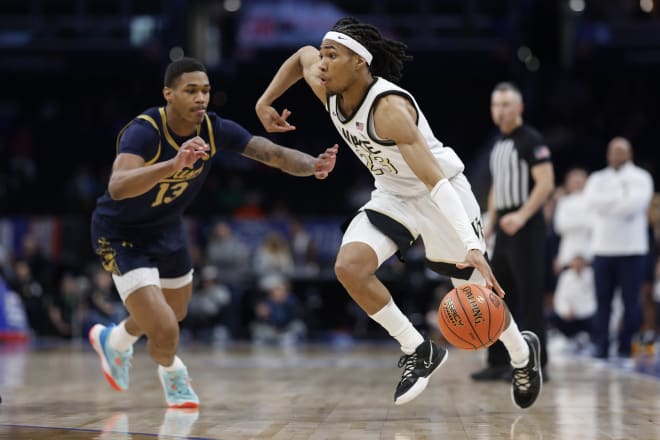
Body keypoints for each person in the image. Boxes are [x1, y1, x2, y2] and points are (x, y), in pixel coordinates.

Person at [256, 17, 542, 409]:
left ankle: (523, 356)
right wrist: (264, 101)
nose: (321, 63)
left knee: (475, 299)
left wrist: (472, 243)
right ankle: (418, 348)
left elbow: (434, 181)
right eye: (323, 54)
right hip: (392, 193)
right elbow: (299, 56)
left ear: (360, 62)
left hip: (440, 193)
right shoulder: (327, 86)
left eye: (332, 55)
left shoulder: (389, 109)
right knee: (349, 267)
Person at [88, 56, 338, 408]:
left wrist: (312, 165)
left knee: (174, 314)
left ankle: (114, 342)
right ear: (169, 94)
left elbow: (270, 152)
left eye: (205, 90)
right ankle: (173, 373)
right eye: (191, 90)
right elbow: (118, 186)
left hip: (167, 229)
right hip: (121, 234)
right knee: (165, 330)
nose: (201, 98)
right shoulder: (145, 131)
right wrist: (174, 164)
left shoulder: (213, 128)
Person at [470, 82, 555, 383]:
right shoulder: (498, 145)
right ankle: (497, 361)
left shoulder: (530, 139)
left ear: (519, 108)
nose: (501, 110)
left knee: (529, 299)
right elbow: (496, 190)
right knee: (497, 297)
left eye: (506, 104)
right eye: (496, 105)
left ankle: (536, 363)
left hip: (527, 226)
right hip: (504, 226)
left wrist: (521, 216)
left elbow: (546, 183)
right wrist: (489, 225)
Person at [583, 137, 654, 358]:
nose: (616, 154)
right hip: (603, 249)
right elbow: (592, 202)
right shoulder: (597, 178)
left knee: (631, 303)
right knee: (603, 302)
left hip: (631, 250)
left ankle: (624, 346)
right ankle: (602, 345)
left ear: (629, 153)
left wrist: (608, 205)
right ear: (608, 154)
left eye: (621, 150)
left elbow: (634, 206)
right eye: (613, 150)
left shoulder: (641, 177)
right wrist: (619, 199)